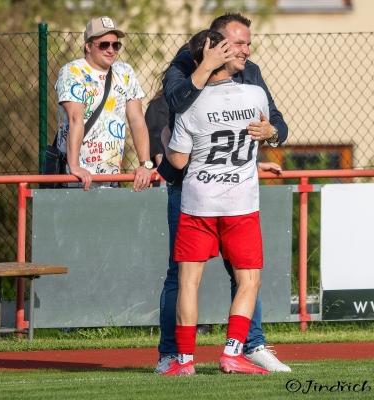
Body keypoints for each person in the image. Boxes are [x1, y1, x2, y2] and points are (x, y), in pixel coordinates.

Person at [156, 13, 291, 373]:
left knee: (192, 279)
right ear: (216, 46)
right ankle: (227, 352)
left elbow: (180, 157)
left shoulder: (199, 101)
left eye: (247, 43)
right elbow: (181, 100)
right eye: (237, 44)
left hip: (199, 197)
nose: (245, 51)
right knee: (247, 278)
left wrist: (166, 141)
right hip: (235, 200)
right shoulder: (246, 90)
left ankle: (187, 359)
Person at [55, 16, 153, 191]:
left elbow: (137, 119)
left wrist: (145, 164)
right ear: (88, 46)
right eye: (104, 44)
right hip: (76, 179)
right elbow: (75, 119)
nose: (111, 50)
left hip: (111, 178)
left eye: (116, 45)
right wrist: (75, 167)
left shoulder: (125, 72)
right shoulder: (72, 71)